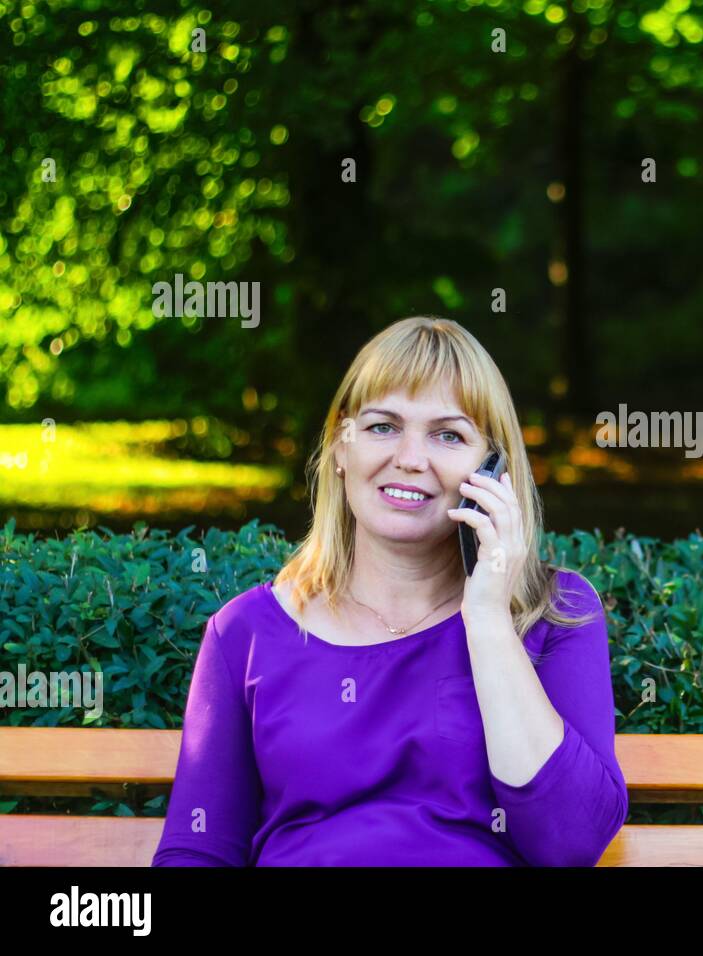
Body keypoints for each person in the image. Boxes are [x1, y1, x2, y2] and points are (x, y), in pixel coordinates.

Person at [151, 316, 628, 866]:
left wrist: (490, 620)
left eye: (448, 435)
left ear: (493, 470)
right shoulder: (246, 633)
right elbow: (199, 850)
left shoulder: (554, 614)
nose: (409, 458)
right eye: (382, 426)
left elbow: (571, 842)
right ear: (339, 447)